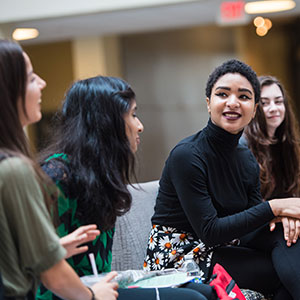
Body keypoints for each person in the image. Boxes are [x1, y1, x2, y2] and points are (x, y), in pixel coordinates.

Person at [36, 75, 214, 300]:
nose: (139, 126)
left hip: (97, 287)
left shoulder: (99, 178)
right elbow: (46, 271)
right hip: (71, 295)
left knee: (204, 290)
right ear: (106, 122)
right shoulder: (57, 176)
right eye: (133, 114)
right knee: (193, 299)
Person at [144, 59, 300, 300]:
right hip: (182, 257)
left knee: (289, 239)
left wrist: (282, 221)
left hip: (222, 248)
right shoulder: (186, 155)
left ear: (254, 109)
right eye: (222, 94)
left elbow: (252, 224)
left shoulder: (245, 157)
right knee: (279, 271)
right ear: (208, 103)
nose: (233, 103)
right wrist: (275, 207)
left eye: (244, 97)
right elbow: (210, 231)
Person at [0, 39, 119, 300]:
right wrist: (92, 295)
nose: (42, 83)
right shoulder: (14, 170)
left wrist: (53, 248)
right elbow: (51, 273)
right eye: (31, 79)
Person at [242, 75, 300, 247]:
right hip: (249, 228)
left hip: (274, 222)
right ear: (253, 108)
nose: (273, 108)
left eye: (278, 101)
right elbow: (243, 208)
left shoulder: (284, 145)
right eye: (265, 103)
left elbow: (287, 194)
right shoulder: (242, 148)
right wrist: (282, 214)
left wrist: (289, 215)